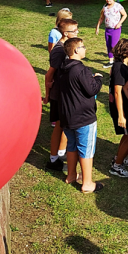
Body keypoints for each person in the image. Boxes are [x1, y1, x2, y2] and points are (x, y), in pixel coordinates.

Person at [58, 37, 104, 193]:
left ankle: (71, 175)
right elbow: (92, 89)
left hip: (67, 115)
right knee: (86, 150)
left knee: (72, 146)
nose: (85, 49)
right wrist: (98, 78)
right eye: (83, 47)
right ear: (76, 50)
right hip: (83, 117)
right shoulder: (80, 69)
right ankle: (87, 183)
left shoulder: (63, 67)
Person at [42, 18, 79, 171]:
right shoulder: (59, 50)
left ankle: (61, 152)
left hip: (65, 92)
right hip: (59, 94)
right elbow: (49, 75)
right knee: (59, 125)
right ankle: (53, 158)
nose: (77, 33)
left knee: (64, 125)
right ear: (65, 33)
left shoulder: (66, 47)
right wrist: (48, 95)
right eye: (75, 31)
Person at [108, 38, 128, 179]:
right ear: (126, 51)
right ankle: (117, 166)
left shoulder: (121, 65)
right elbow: (118, 91)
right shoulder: (120, 68)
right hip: (121, 107)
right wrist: (121, 115)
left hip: (125, 105)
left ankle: (119, 157)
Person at [95, 0, 127, 67]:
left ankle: (119, 59)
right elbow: (102, 18)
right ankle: (111, 61)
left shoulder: (117, 6)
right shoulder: (105, 7)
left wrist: (119, 23)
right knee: (108, 45)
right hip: (108, 29)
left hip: (115, 29)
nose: (108, 0)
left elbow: (125, 15)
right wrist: (97, 27)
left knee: (114, 45)